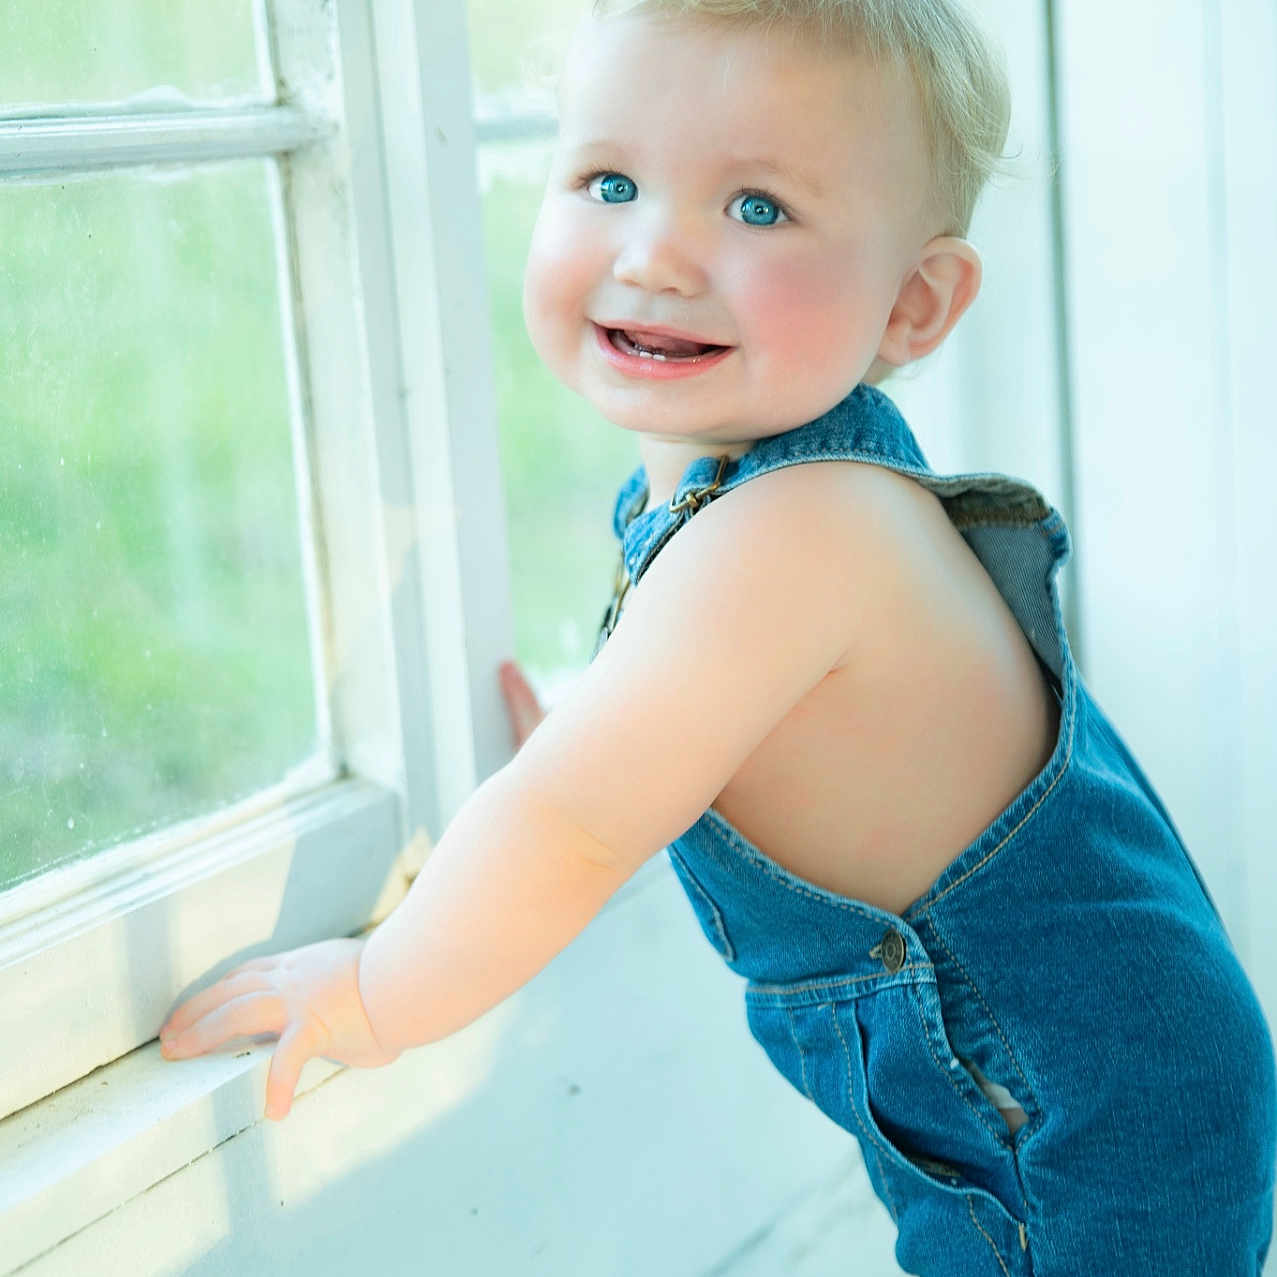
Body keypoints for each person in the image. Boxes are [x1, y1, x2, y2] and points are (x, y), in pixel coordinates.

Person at [158, 1, 1277, 1271]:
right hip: (1092, 1085)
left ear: (913, 304)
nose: (655, 254)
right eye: (610, 178)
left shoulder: (799, 527)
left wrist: (373, 993)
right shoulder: (744, 494)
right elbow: (679, 732)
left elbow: (570, 826)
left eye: (755, 208)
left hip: (1083, 1128)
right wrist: (604, 732)